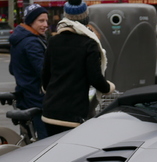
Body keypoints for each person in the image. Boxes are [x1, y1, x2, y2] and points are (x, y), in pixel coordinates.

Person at [41, 0, 114, 136]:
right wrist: (108, 87)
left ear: (65, 17)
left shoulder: (54, 41)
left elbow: (46, 75)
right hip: (73, 114)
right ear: (85, 17)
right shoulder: (89, 43)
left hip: (50, 111)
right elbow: (95, 78)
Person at [9, 4, 49, 139]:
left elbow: (11, 69)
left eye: (46, 21)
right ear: (31, 21)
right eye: (41, 21)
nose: (45, 25)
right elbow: (43, 72)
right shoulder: (32, 43)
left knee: (29, 139)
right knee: (45, 142)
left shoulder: (19, 39)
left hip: (24, 96)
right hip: (37, 98)